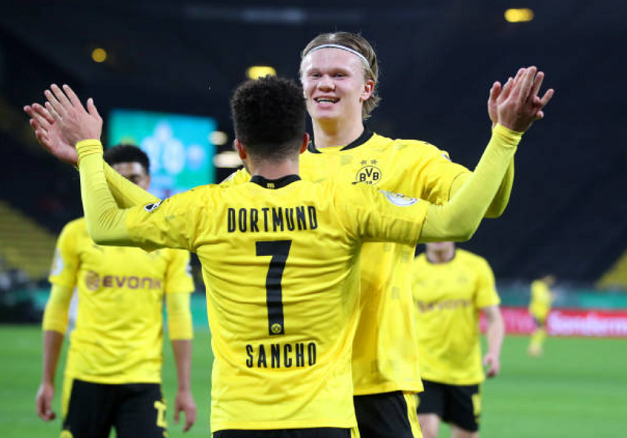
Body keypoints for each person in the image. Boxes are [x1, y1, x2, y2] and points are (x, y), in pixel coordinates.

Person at [27, 72, 533, 437]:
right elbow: (459, 221)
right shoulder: (345, 205)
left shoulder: (207, 207)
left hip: (239, 419)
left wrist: (90, 155)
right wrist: (505, 136)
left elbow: (109, 225)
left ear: (241, 148)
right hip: (324, 417)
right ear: (305, 143)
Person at [219, 32, 553, 438]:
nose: (325, 84)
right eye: (315, 75)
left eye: (339, 75)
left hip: (377, 379)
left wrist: (505, 137)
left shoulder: (408, 159)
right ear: (302, 86)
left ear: (367, 88)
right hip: (299, 386)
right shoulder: (270, 167)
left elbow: (487, 204)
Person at [35, 144, 197, 438]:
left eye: (134, 179)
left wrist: (184, 388)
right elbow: (57, 308)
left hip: (143, 379)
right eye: (117, 179)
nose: (126, 187)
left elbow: (179, 316)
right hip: (85, 375)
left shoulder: (170, 241)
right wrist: (47, 380)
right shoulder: (76, 233)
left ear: (148, 181)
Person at [412, 242, 504, 438]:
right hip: (423, 369)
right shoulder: (411, 269)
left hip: (464, 372)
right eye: (434, 231)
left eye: (445, 230)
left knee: (466, 435)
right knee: (425, 432)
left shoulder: (476, 266)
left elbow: (494, 318)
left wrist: (494, 353)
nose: (439, 237)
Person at [528, 275, 555, 356]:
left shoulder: (544, 288)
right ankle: (534, 348)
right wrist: (550, 296)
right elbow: (541, 298)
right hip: (537, 312)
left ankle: (535, 347)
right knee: (540, 330)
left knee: (541, 330)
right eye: (549, 279)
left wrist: (549, 297)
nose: (550, 281)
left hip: (543, 312)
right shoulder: (537, 285)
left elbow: (546, 300)